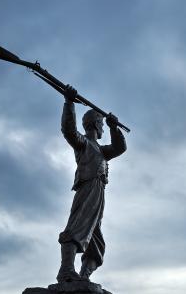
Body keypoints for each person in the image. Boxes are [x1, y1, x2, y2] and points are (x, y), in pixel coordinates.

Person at [56, 85, 127, 283]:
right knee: (77, 226)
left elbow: (120, 147)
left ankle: (82, 276)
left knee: (96, 243)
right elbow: (68, 130)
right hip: (87, 187)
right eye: (103, 124)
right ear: (96, 124)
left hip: (99, 193)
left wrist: (114, 127)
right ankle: (66, 270)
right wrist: (69, 102)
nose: (103, 128)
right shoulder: (84, 143)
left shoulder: (102, 150)